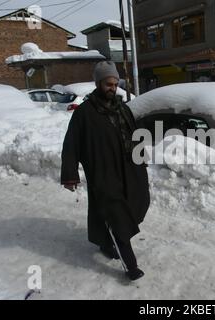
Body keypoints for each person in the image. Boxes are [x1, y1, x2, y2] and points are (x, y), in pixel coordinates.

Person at [61, 61, 150, 281]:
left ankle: (104, 240)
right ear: (98, 83)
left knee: (140, 203)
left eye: (115, 83)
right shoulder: (85, 113)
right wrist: (70, 174)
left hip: (130, 169)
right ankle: (131, 266)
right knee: (117, 215)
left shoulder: (123, 108)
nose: (112, 87)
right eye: (108, 84)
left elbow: (134, 134)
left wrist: (142, 158)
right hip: (103, 173)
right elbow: (71, 144)